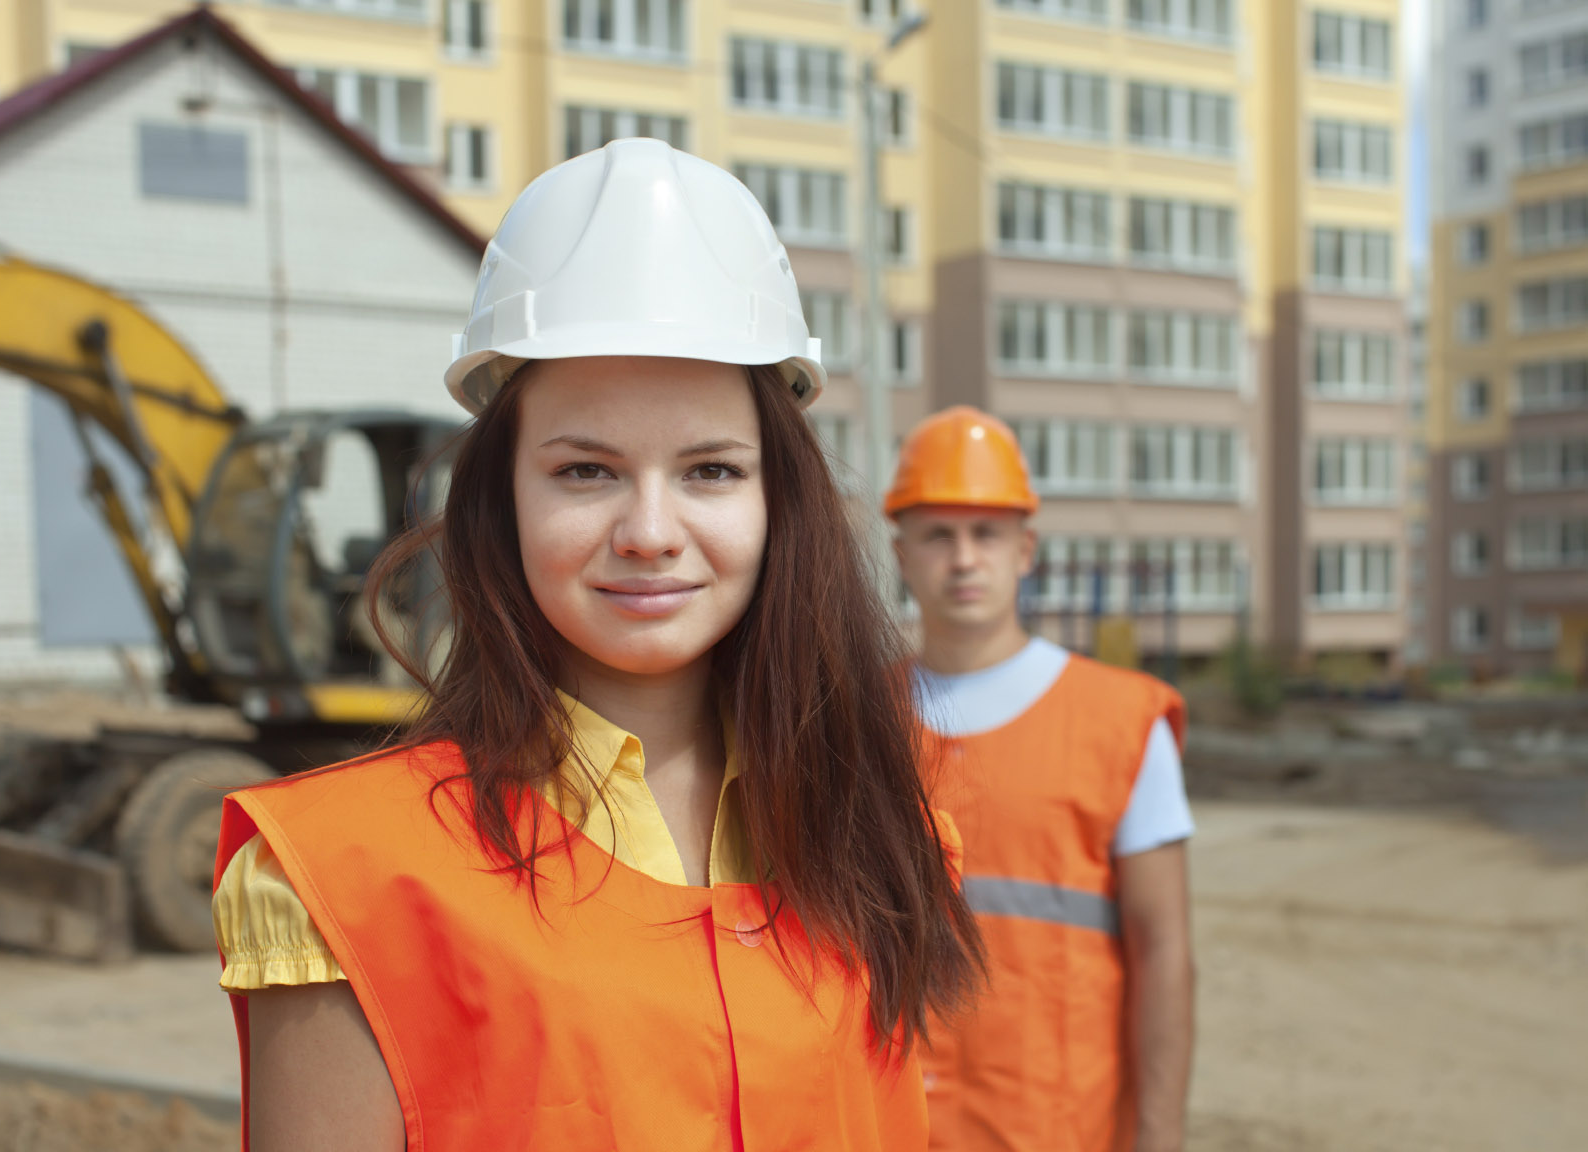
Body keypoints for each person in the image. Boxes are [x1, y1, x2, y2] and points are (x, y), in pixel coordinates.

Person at [209, 139, 982, 1151]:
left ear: (778, 501)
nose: (650, 530)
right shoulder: (345, 879)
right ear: (501, 502)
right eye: (585, 473)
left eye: (709, 471)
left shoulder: (881, 829)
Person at [886, 407, 1196, 1152]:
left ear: (1025, 551)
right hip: (887, 1124)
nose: (964, 559)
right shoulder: (853, 724)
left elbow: (1165, 952)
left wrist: (1157, 1136)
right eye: (938, 535)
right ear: (901, 555)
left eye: (985, 534)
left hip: (1057, 1129)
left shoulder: (1121, 722)